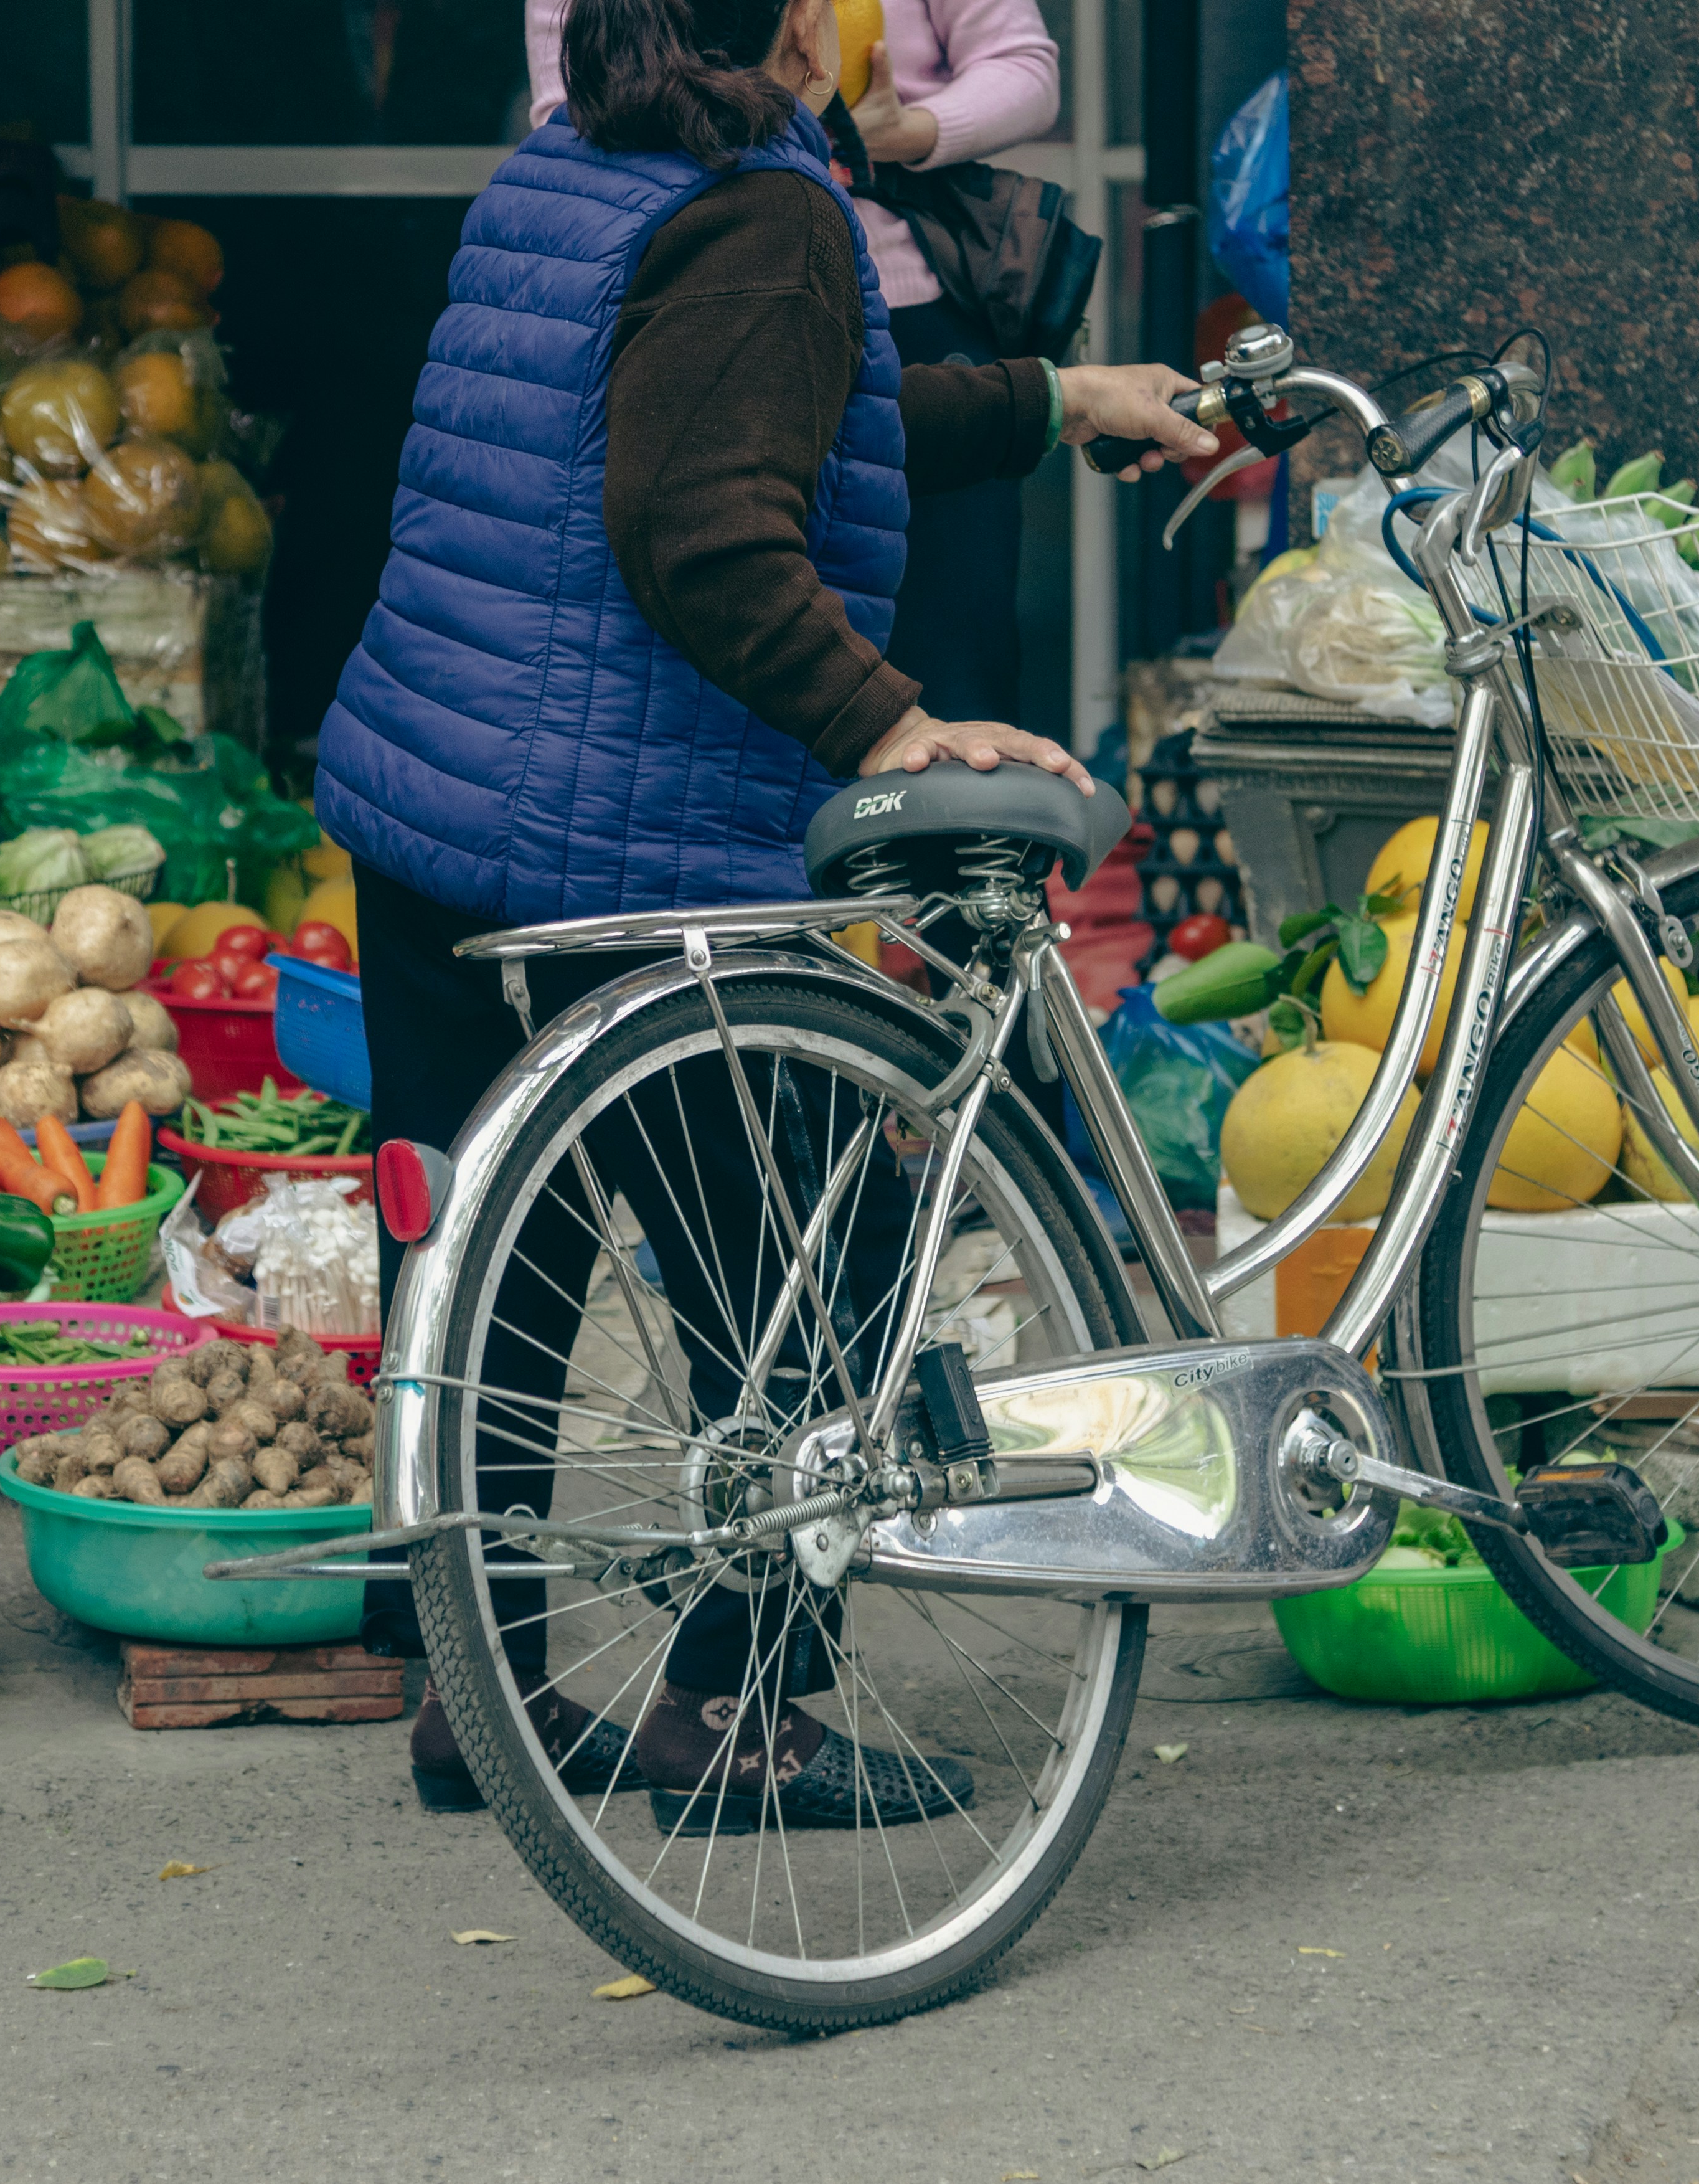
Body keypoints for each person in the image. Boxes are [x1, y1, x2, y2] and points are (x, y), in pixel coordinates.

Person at [319, 0, 1210, 1827]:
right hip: (628, 846)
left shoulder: (574, 162)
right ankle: (753, 1729)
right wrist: (898, 724)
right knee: (817, 1262)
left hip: (435, 812)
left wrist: (1057, 396)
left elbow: (799, 405)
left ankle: (461, 1690)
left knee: (495, 1257)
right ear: (800, 16)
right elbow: (705, 524)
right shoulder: (763, 211)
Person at [530, 0, 1061, 723]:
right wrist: (884, 732)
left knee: (945, 641)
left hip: (906, 308)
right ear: (811, 33)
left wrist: (901, 133)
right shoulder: (766, 216)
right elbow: (709, 548)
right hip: (703, 276)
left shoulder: (519, 211)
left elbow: (1024, 67)